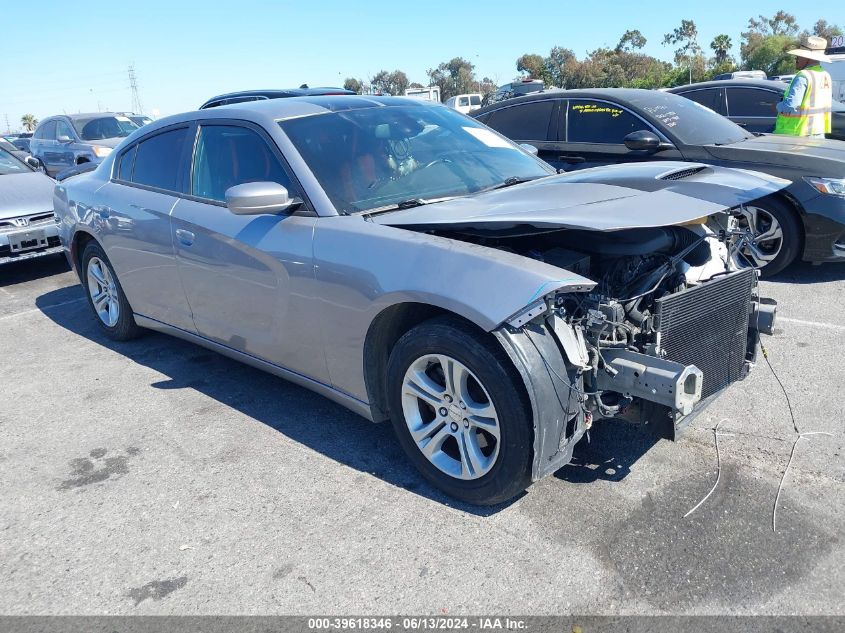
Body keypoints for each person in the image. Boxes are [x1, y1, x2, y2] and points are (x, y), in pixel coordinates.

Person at [774, 36, 833, 138]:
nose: (796, 59)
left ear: (808, 58)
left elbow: (791, 106)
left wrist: (778, 106)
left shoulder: (803, 76)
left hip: (798, 135)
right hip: (818, 134)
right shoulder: (825, 75)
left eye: (799, 56)